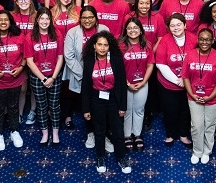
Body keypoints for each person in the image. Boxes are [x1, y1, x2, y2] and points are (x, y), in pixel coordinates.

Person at [82, 31, 132, 174]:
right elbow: (85, 85)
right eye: (99, 45)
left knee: (118, 131)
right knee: (99, 130)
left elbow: (122, 83)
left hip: (113, 99)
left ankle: (121, 158)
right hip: (96, 100)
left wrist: (123, 105)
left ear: (109, 46)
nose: (102, 48)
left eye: (105, 45)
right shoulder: (89, 60)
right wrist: (86, 108)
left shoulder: (116, 59)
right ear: (94, 46)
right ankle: (100, 157)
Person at [63, 6, 109, 147]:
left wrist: (97, 73)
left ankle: (104, 134)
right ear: (80, 19)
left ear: (95, 18)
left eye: (90, 17)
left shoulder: (104, 29)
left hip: (102, 76)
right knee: (87, 105)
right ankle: (91, 133)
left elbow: (109, 52)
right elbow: (69, 56)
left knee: (102, 105)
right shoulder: (73, 32)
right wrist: (85, 75)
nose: (87, 20)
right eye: (84, 18)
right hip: (81, 76)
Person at [182, 28, 216, 164]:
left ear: (212, 41)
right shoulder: (190, 55)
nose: (204, 42)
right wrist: (192, 94)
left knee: (209, 126)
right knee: (196, 126)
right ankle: (197, 151)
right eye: (201, 39)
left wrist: (210, 97)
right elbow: (185, 77)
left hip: (213, 99)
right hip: (194, 97)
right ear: (198, 40)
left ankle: (207, 151)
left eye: (207, 39)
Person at [0, 10, 26, 151]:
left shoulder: (19, 36)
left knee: (14, 106)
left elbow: (26, 54)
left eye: (6, 20)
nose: (3, 22)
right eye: (0, 20)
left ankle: (15, 131)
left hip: (15, 78)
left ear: (10, 22)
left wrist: (21, 67)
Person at [25, 8, 65, 145]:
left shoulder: (57, 34)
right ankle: (44, 133)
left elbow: (60, 58)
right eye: (42, 18)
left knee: (54, 105)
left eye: (47, 18)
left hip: (54, 75)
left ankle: (55, 132)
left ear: (51, 20)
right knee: (41, 106)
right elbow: (29, 62)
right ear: (37, 20)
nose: (44, 21)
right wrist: (43, 78)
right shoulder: (30, 37)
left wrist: (52, 77)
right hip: (38, 77)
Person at [156, 14, 195, 148]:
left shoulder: (193, 39)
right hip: (168, 84)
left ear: (185, 25)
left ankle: (184, 134)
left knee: (186, 110)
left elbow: (199, 60)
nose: (176, 28)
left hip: (189, 83)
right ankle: (170, 134)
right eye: (172, 25)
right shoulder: (165, 41)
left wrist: (185, 80)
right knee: (170, 110)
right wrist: (177, 80)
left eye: (179, 24)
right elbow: (160, 64)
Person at [120, 17, 154, 152]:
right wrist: (127, 83)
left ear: (140, 30)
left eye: (135, 28)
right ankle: (127, 135)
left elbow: (150, 65)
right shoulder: (121, 46)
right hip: (126, 84)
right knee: (127, 110)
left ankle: (137, 134)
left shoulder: (147, 45)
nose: (132, 30)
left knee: (139, 110)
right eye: (129, 28)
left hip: (142, 83)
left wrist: (144, 82)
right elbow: (118, 68)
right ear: (126, 31)